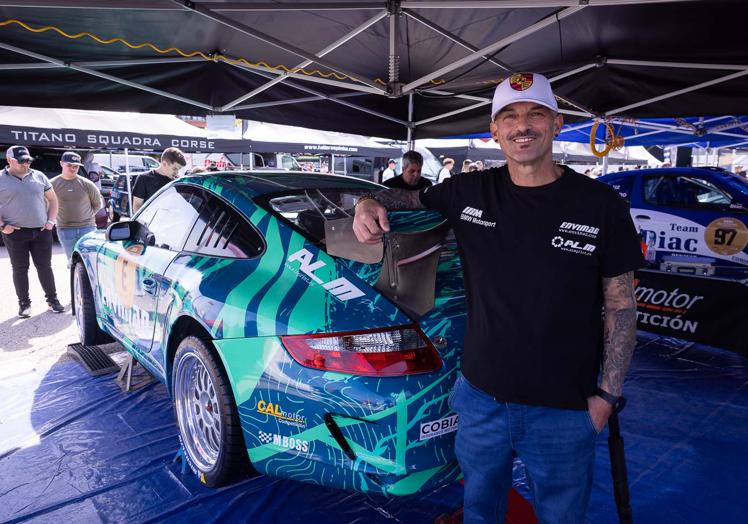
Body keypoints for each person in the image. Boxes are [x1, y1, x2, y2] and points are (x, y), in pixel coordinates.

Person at [353, 72, 643, 523]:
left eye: (535, 115)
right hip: (481, 400)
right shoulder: (469, 191)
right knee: (481, 513)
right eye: (509, 116)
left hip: (565, 409)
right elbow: (402, 199)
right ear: (494, 130)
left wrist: (607, 395)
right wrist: (366, 204)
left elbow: (622, 306)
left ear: (557, 123)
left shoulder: (601, 205)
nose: (522, 126)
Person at [0, 145, 65, 316]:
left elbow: (53, 200)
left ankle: (52, 300)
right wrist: (2, 226)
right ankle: (24, 303)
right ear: (9, 160)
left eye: (28, 160)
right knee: (20, 268)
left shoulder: (39, 176)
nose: (26, 164)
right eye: (21, 161)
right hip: (15, 232)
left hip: (42, 231)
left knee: (45, 267)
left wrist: (51, 221)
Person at [51, 152, 102, 264]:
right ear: (61, 164)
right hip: (65, 229)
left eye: (76, 166)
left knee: (90, 261)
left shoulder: (87, 184)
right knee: (73, 261)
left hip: (87, 228)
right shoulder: (52, 184)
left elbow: (97, 204)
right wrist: (52, 219)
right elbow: (46, 204)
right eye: (70, 165)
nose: (73, 168)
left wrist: (86, 216)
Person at [131, 147, 186, 213]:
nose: (177, 172)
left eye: (179, 169)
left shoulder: (177, 181)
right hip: (150, 222)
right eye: (174, 169)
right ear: (164, 164)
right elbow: (137, 206)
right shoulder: (144, 178)